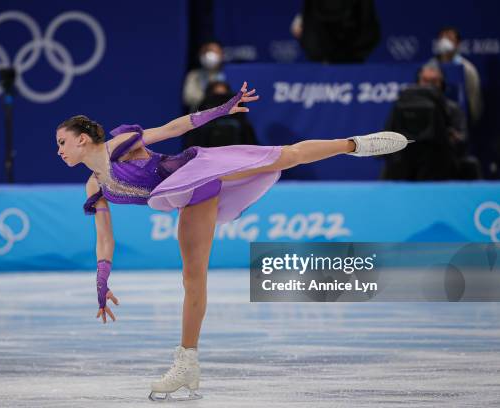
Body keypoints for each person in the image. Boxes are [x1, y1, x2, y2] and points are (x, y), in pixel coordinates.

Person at [55, 82, 409, 401]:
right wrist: (102, 279)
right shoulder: (93, 187)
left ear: (82, 139)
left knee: (285, 155)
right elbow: (105, 239)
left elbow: (174, 128)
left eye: (62, 143)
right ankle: (187, 362)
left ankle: (358, 144)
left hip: (197, 171)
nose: (60, 151)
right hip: (187, 198)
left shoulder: (117, 145)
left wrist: (221, 109)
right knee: (192, 278)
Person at [429, 26, 483, 123]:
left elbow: (474, 97)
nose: (444, 42)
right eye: (442, 38)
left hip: (459, 119)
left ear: (458, 43)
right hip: (433, 119)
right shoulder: (429, 66)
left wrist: (470, 120)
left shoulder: (467, 68)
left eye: (449, 38)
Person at [183, 81, 258, 148]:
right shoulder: (200, 122)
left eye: (224, 98)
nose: (220, 103)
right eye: (216, 98)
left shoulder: (243, 124)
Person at [182, 41, 226, 112]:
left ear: (221, 54)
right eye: (207, 51)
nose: (210, 55)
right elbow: (188, 98)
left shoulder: (228, 75)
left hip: (221, 118)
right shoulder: (193, 75)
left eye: (214, 51)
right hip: (198, 117)